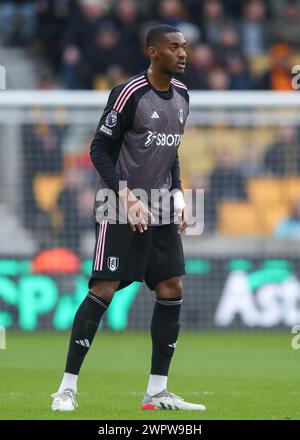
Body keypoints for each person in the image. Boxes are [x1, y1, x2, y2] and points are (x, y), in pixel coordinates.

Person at [51, 24, 206, 412]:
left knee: (171, 286)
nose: (183, 53)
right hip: (118, 204)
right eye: (174, 47)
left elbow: (171, 152)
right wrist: (124, 195)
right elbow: (99, 148)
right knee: (104, 289)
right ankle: (66, 388)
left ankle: (156, 392)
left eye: (184, 47)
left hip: (160, 204)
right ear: (153, 52)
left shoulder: (184, 96)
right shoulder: (129, 93)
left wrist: (178, 194)